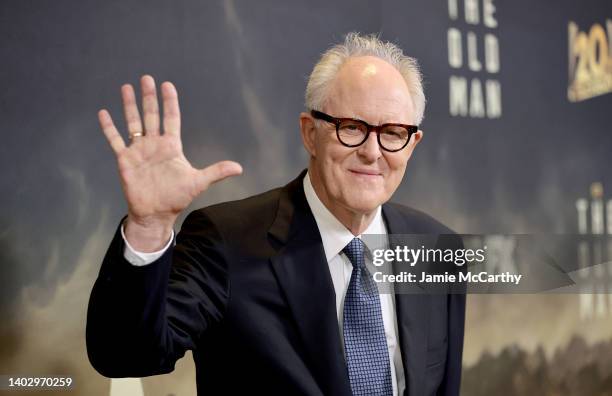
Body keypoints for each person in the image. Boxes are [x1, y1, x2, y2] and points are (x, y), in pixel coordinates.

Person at [86, 32, 465, 396]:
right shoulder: (224, 241)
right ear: (309, 133)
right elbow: (126, 355)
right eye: (352, 127)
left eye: (393, 132)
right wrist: (148, 228)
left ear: (412, 143)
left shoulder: (436, 248)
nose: (372, 151)